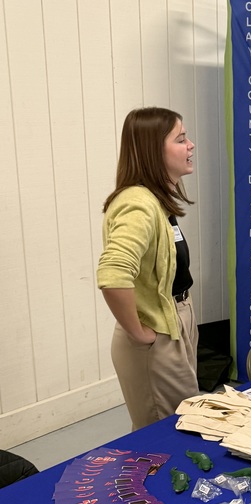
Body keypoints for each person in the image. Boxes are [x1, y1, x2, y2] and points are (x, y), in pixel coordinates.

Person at [97, 108, 199, 430]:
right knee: (168, 436)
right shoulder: (138, 203)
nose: (191, 145)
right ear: (154, 151)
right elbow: (113, 274)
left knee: (180, 424)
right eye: (181, 139)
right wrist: (140, 335)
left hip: (174, 323)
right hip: (155, 338)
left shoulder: (155, 200)